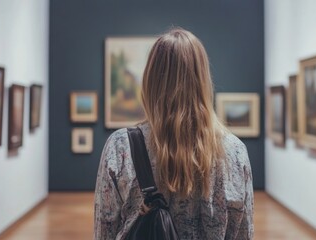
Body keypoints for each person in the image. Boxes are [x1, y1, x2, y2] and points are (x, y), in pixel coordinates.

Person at [94, 28, 254, 240]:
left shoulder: (120, 147)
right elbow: (245, 234)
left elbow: (104, 232)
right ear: (203, 81)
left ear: (150, 81)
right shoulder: (235, 152)